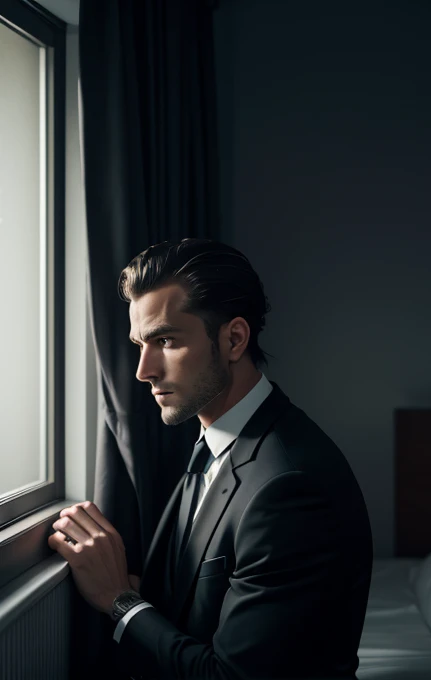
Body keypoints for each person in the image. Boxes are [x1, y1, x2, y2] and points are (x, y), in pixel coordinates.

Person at [49, 238, 373, 679]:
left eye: (165, 340)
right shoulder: (218, 441)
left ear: (234, 338)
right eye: (139, 343)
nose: (144, 370)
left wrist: (118, 601)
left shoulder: (291, 486)